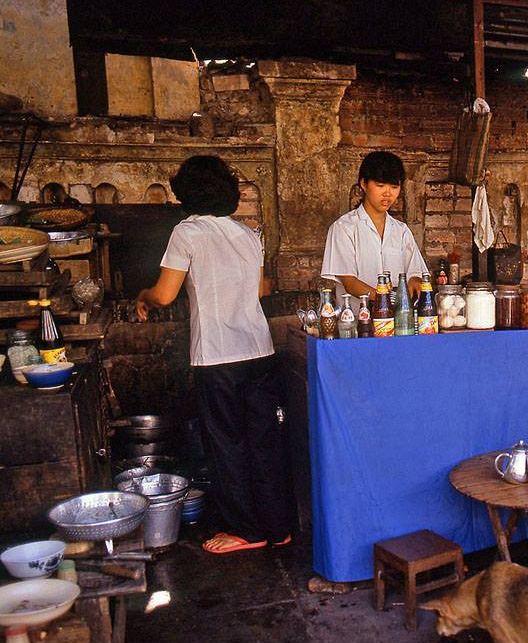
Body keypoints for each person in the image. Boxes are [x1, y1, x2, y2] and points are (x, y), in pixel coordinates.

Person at [136, 155, 292, 554]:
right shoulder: (247, 233)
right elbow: (259, 292)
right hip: (258, 349)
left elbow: (165, 294)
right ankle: (278, 527)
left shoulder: (186, 233)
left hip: (217, 356)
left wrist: (144, 296)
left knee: (227, 445)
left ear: (185, 193)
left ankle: (246, 530)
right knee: (264, 443)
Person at [321, 151, 428, 300]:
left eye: (394, 187)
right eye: (380, 185)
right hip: (358, 318)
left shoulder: (401, 231)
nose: (388, 194)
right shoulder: (344, 228)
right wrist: (385, 302)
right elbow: (350, 283)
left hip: (397, 320)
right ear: (364, 183)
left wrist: (415, 281)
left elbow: (415, 272)